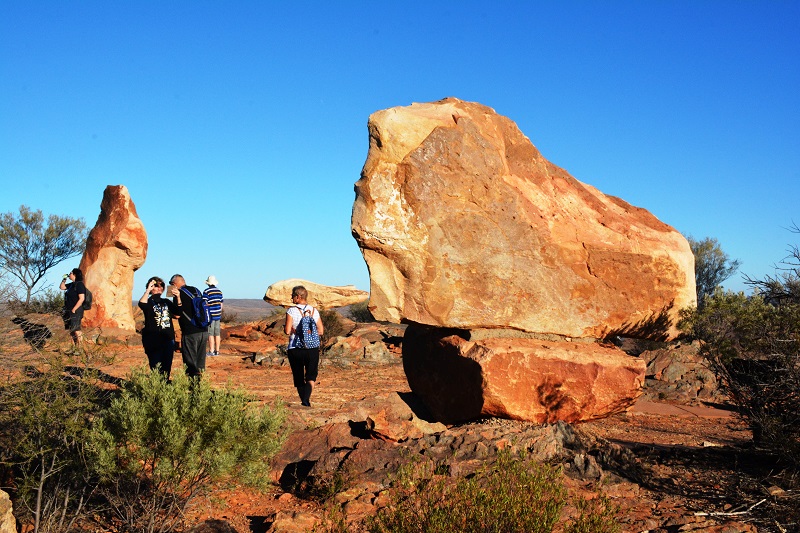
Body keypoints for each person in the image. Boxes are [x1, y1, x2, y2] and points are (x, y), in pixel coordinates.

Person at [284, 285, 324, 407]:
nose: (291, 299)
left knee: (299, 377)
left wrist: (292, 330)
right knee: (311, 377)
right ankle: (306, 399)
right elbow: (321, 331)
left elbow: (286, 331)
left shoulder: (291, 310)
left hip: (295, 348)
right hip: (312, 349)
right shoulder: (313, 311)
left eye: (292, 296)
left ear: (298, 296)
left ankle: (304, 401)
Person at [138, 276, 180, 378]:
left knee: (167, 367)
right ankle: (156, 388)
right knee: (155, 366)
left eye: (162, 286)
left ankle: (164, 387)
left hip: (168, 338)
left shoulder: (166, 301)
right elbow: (142, 304)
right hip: (152, 339)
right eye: (156, 286)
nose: (159, 288)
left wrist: (178, 297)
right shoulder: (148, 301)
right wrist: (148, 290)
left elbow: (178, 314)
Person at [169, 274, 209, 378]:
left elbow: (177, 315)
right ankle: (201, 386)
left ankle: (193, 385)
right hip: (203, 330)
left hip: (190, 332)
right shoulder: (196, 290)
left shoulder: (178, 294)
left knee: (190, 362)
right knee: (200, 361)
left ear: (174, 284)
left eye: (171, 284)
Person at [59, 267, 86, 347]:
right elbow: (62, 287)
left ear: (75, 275)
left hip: (76, 310)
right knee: (71, 330)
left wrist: (74, 309)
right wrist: (64, 279)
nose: (69, 274)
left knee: (76, 329)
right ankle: (74, 347)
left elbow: (82, 298)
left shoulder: (79, 284)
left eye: (70, 273)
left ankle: (80, 347)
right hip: (69, 310)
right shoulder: (71, 285)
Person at [203, 275, 224, 356]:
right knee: (217, 333)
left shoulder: (206, 291)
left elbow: (205, 303)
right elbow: (221, 303)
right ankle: (217, 351)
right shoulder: (219, 291)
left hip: (210, 315)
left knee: (210, 334)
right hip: (218, 315)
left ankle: (211, 351)